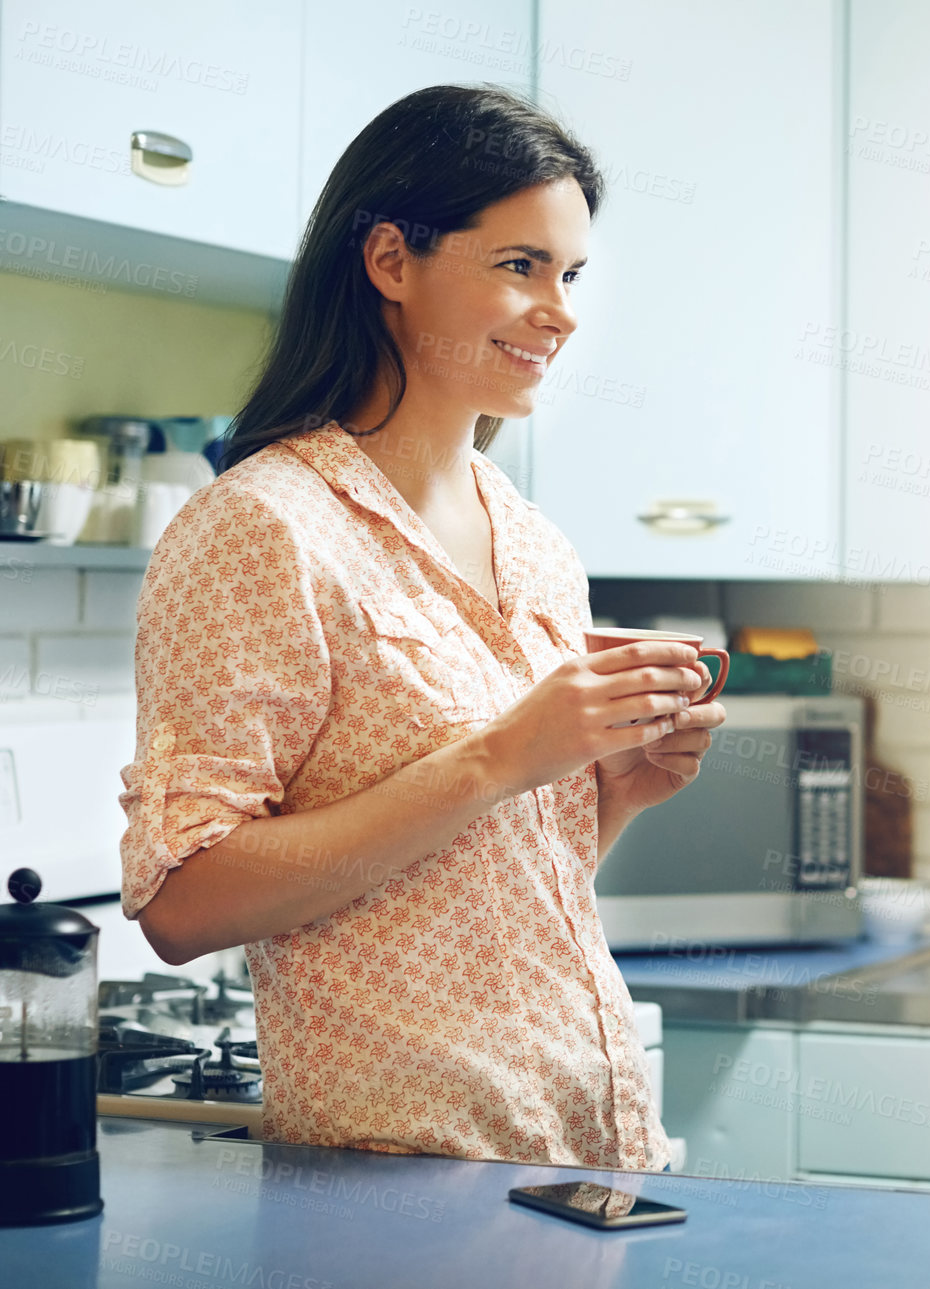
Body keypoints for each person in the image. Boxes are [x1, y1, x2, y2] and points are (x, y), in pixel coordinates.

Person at [116, 84, 724, 1171]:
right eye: (518, 266)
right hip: (400, 1182)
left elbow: (478, 888)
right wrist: (503, 755)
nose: (561, 311)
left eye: (570, 274)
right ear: (391, 260)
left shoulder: (536, 543)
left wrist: (612, 793)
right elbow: (183, 901)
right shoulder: (259, 529)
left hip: (586, 1154)